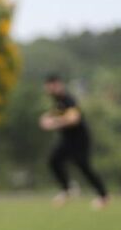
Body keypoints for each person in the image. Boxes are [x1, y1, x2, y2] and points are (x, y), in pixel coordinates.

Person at [39, 74, 109, 209]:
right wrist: (46, 117)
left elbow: (74, 119)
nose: (48, 90)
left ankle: (103, 195)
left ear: (57, 85)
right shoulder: (58, 101)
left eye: (50, 86)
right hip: (67, 139)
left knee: (83, 166)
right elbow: (56, 113)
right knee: (54, 160)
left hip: (79, 139)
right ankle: (67, 189)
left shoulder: (68, 99)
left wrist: (53, 123)